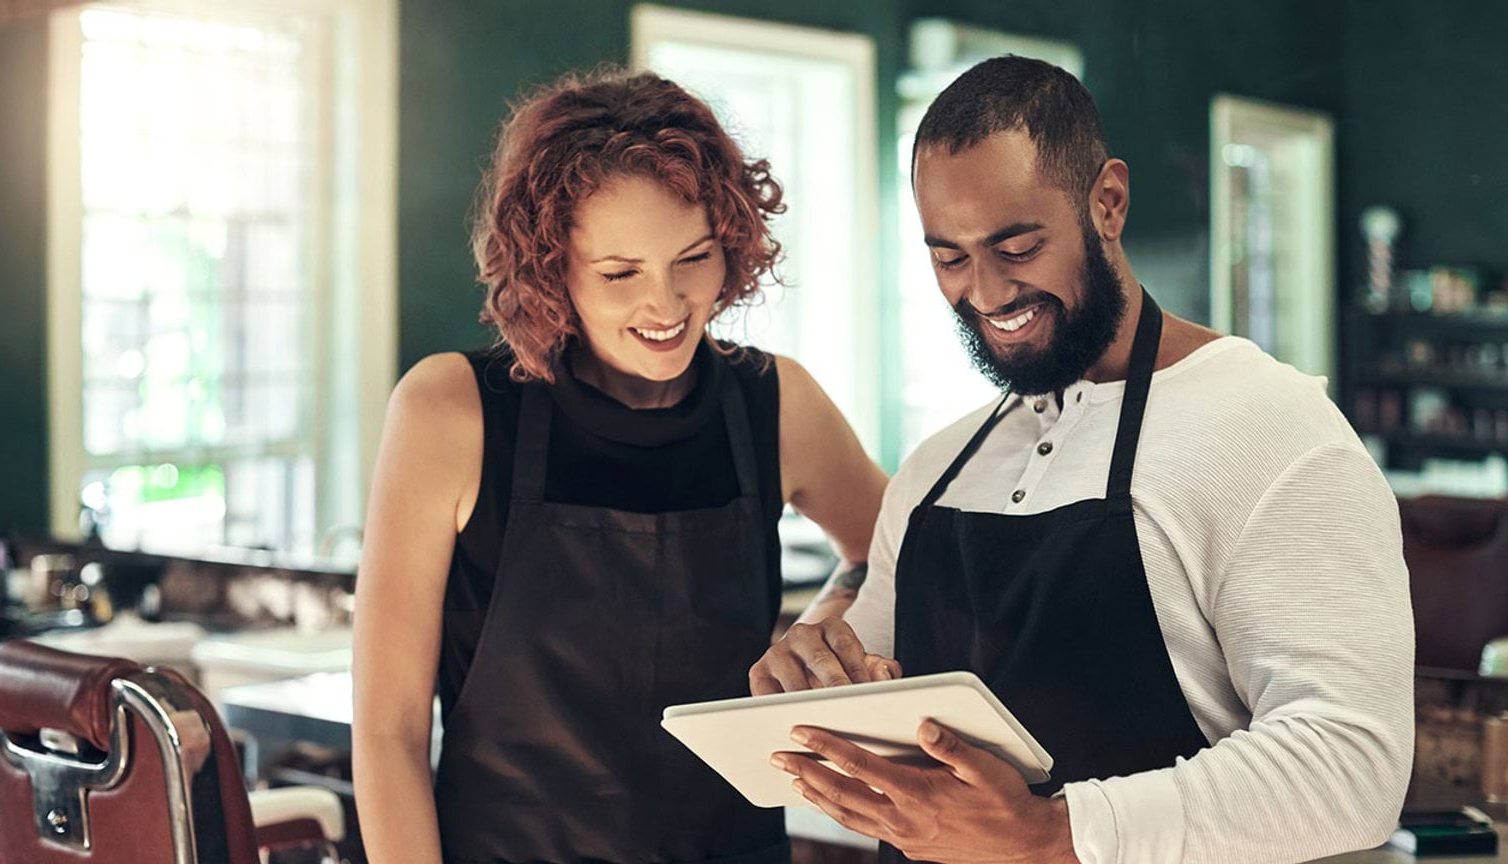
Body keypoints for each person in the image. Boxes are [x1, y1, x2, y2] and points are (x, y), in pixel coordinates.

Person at [752, 56, 1413, 864]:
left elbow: (1350, 767)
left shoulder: (1274, 434)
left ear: (1108, 201)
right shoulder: (937, 467)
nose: (987, 292)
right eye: (949, 258)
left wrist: (1049, 833)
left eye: (1018, 245)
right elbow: (869, 693)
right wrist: (815, 662)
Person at [353, 69, 887, 864]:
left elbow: (900, 550)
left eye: (693, 258)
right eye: (619, 273)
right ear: (550, 266)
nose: (667, 305)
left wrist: (820, 632)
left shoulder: (777, 404)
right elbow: (389, 734)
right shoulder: (451, 413)